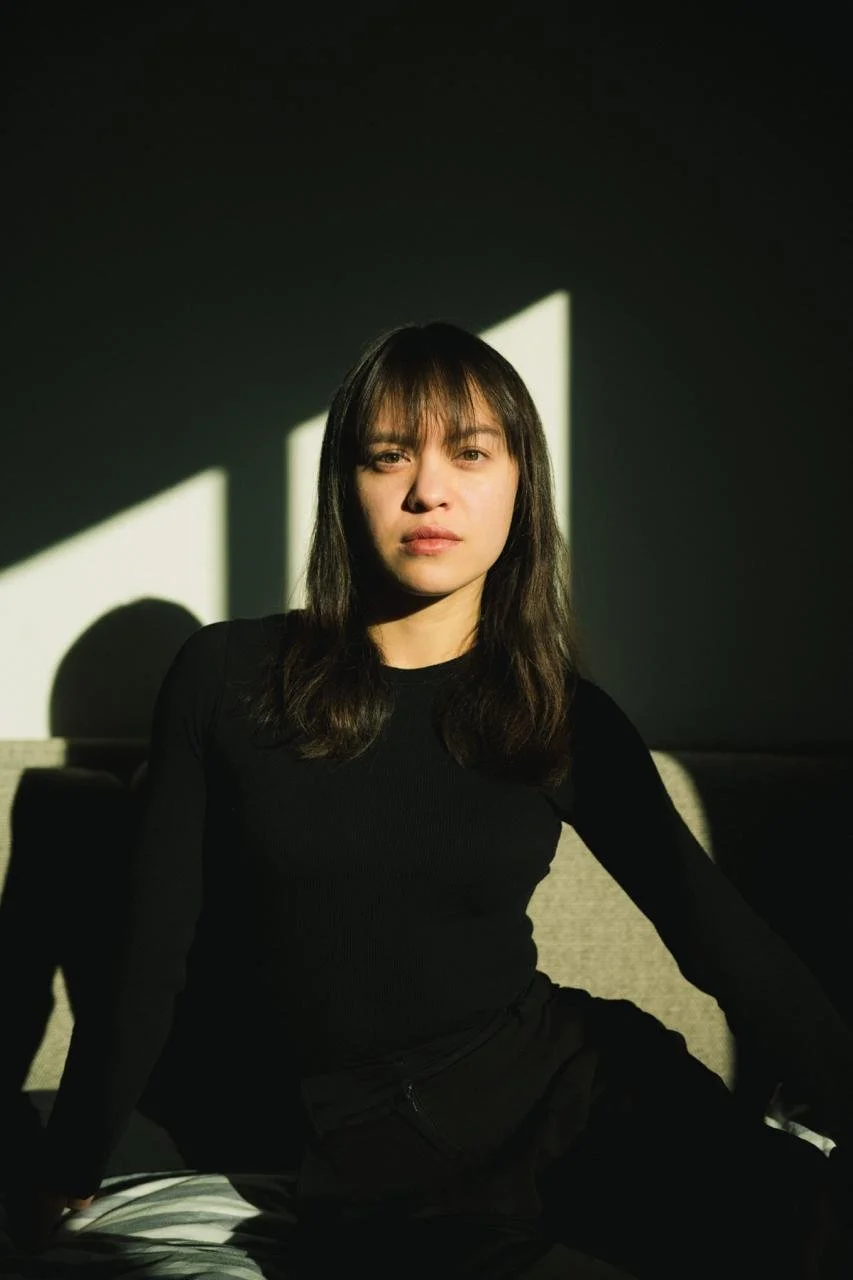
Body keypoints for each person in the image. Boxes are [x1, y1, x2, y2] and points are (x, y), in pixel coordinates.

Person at [7, 322, 852, 1277]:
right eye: (388, 455)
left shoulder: (557, 712)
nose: (429, 489)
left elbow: (716, 934)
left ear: (518, 485)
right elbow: (141, 961)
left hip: (580, 1088)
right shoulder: (225, 679)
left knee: (813, 1235)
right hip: (373, 1148)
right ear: (345, 485)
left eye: (470, 452)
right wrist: (67, 1162)